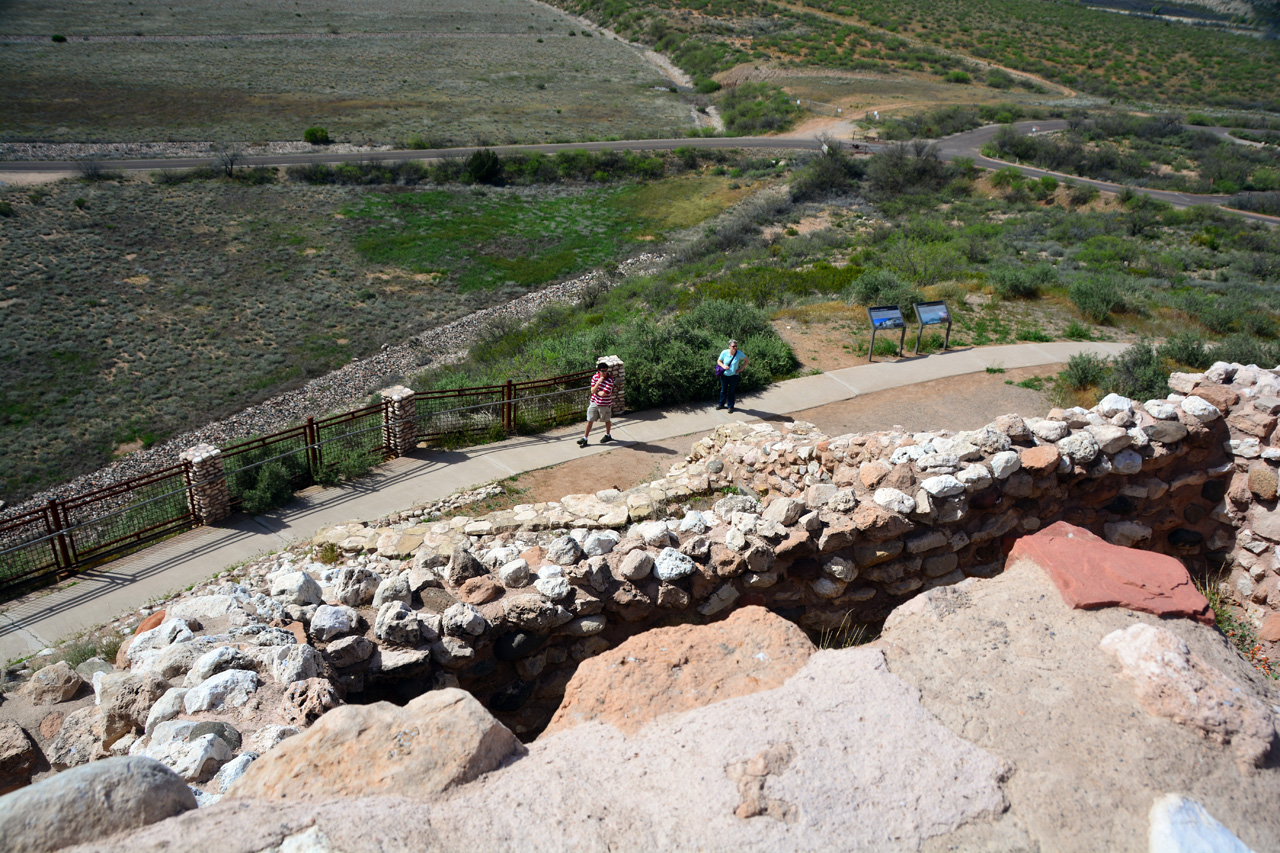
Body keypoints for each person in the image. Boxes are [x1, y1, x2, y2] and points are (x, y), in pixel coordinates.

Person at [578, 360, 614, 447]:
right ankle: (585, 438)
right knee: (589, 420)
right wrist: (599, 382)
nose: (605, 372)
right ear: (599, 371)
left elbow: (603, 394)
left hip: (605, 404)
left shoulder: (610, 380)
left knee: (607, 420)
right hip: (594, 402)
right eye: (603, 371)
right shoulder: (595, 377)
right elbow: (592, 391)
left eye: (606, 370)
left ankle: (608, 435)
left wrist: (596, 391)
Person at [716, 339, 748, 414]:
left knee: (732, 391)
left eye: (736, 346)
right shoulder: (724, 352)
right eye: (734, 346)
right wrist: (723, 366)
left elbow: (746, 361)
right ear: (729, 346)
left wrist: (740, 369)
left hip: (734, 376)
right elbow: (719, 361)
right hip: (724, 375)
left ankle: (730, 406)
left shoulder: (739, 353)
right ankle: (721, 404)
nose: (735, 348)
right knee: (723, 390)